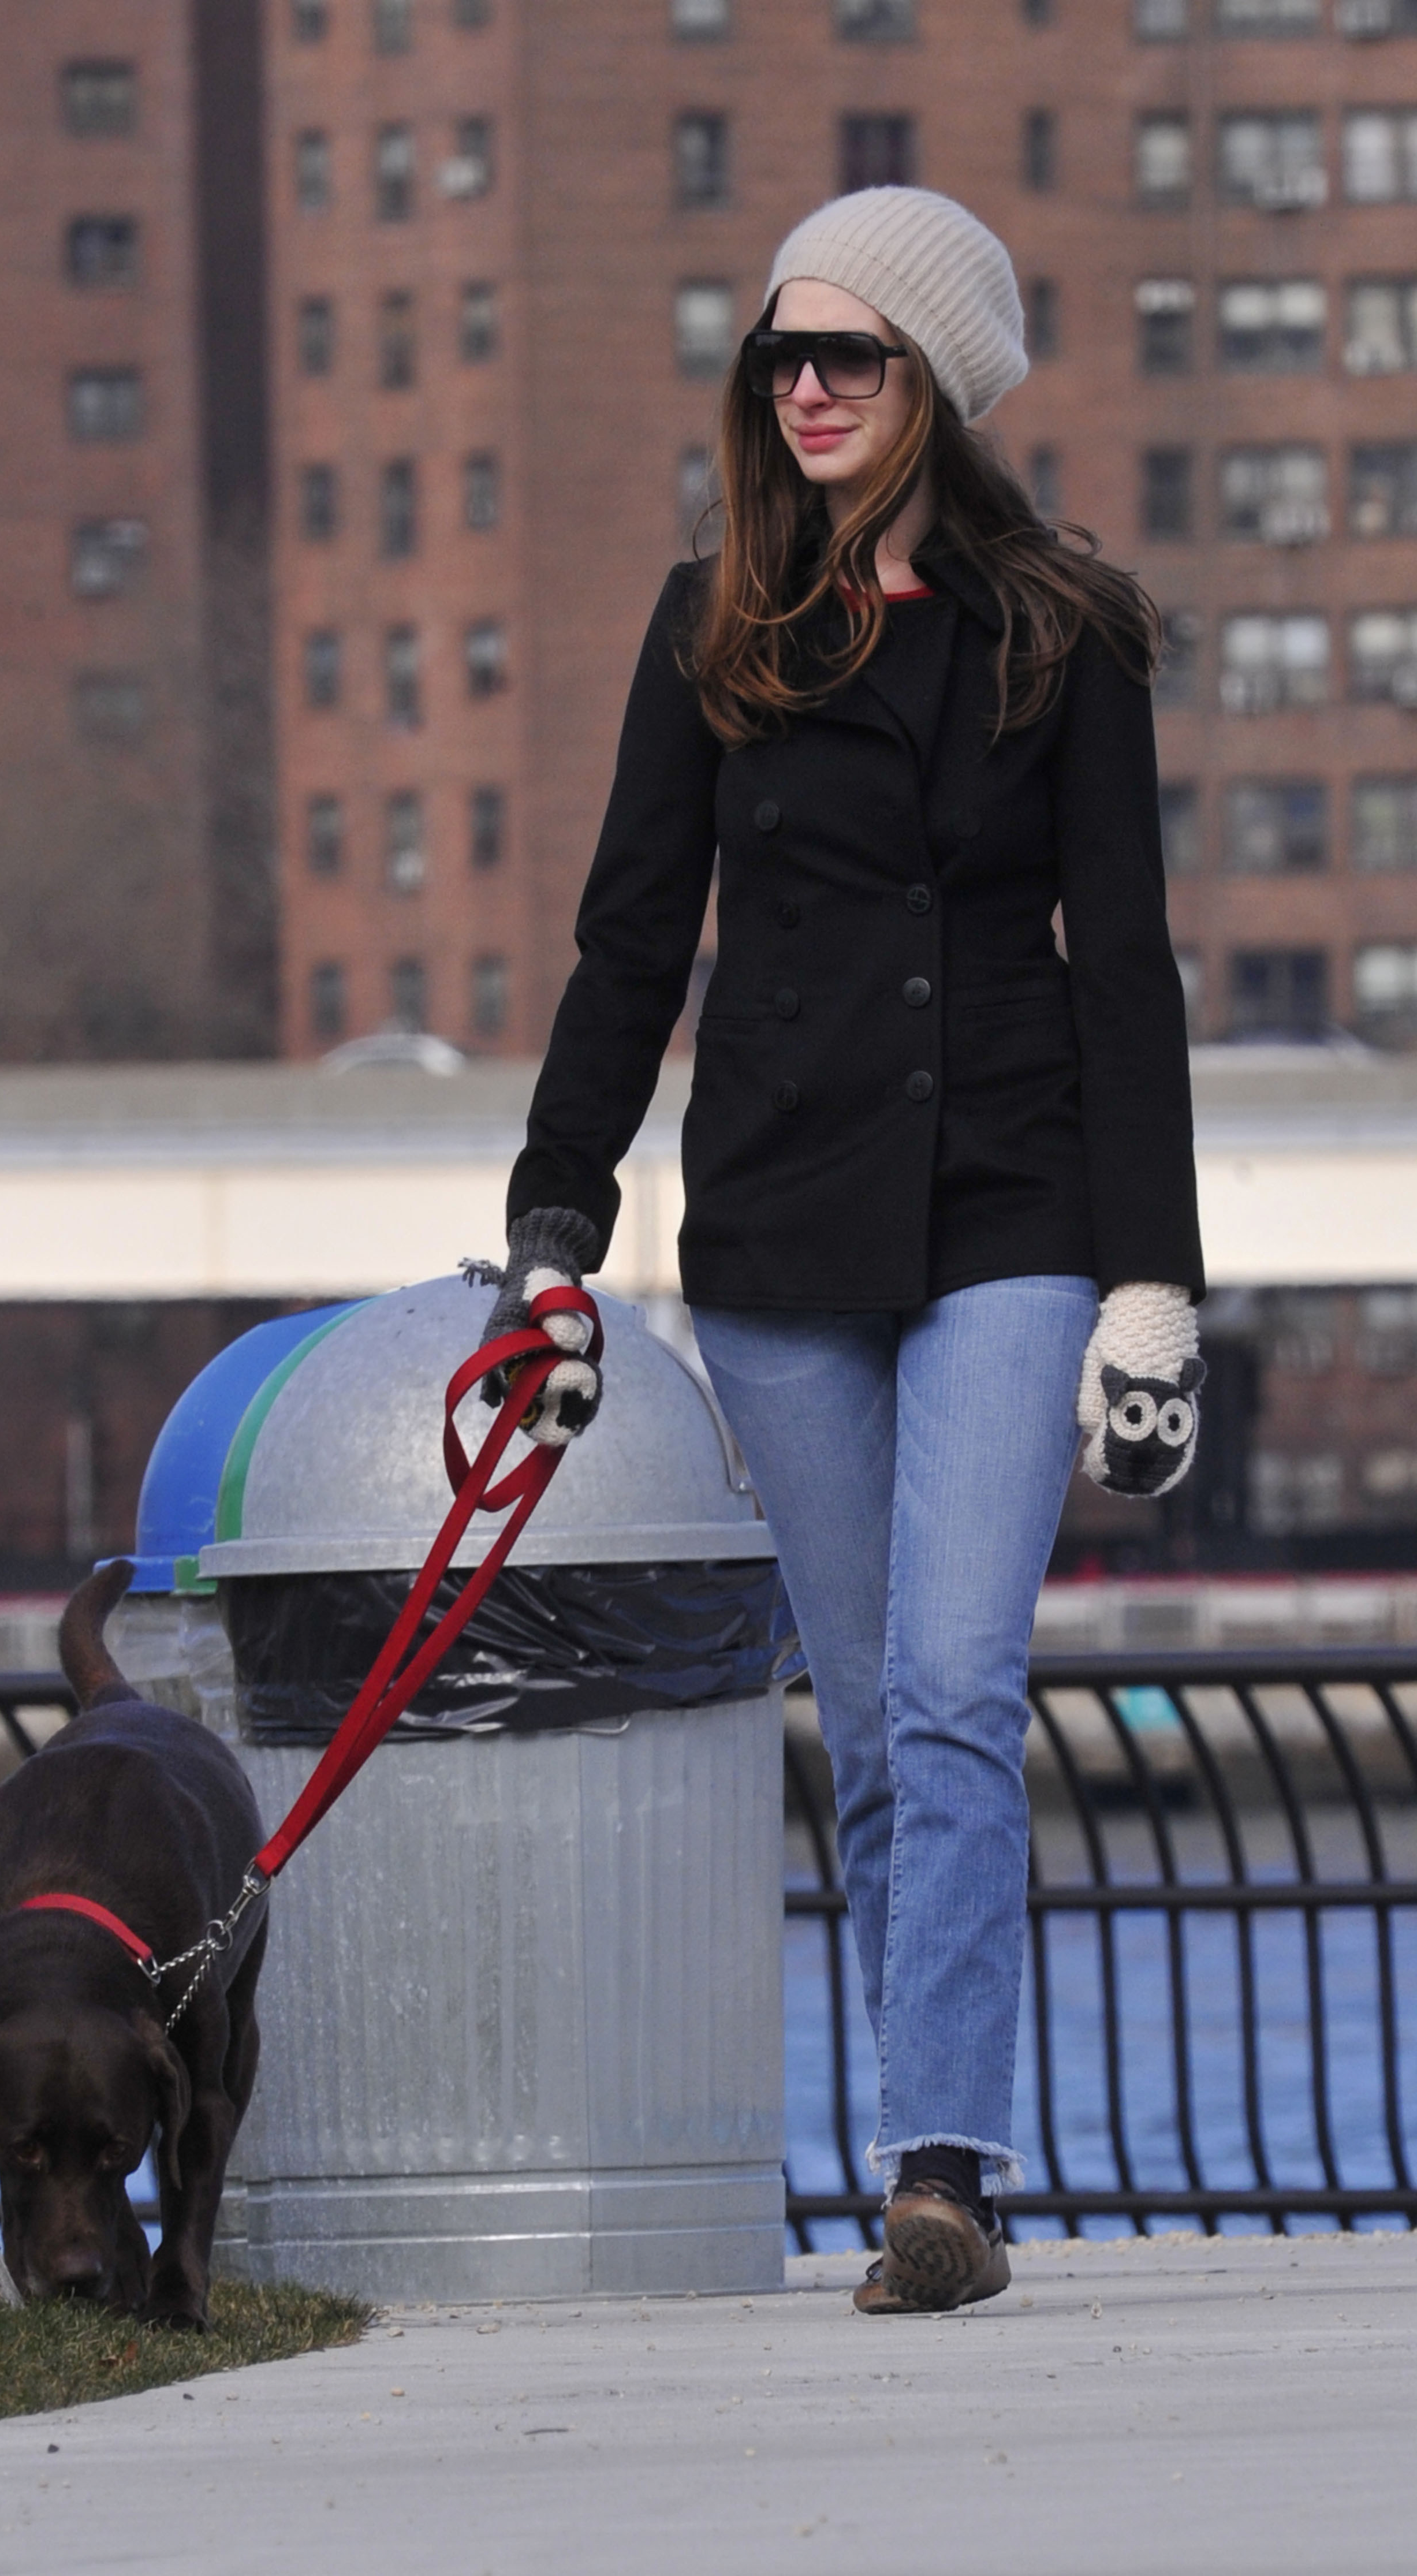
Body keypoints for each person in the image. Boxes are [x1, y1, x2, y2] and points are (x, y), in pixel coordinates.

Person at [475, 186, 1204, 2314]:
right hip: (783, 1229)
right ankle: (924, 2148)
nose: (804, 388)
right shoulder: (713, 625)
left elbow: (1124, 964)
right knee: (873, 1723)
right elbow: (630, 946)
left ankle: (940, 2176)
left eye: (848, 355)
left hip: (1009, 1207)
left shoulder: (1064, 633)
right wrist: (554, 1228)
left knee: (962, 1686)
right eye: (781, 356)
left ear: (936, 382)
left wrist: (1152, 1282)